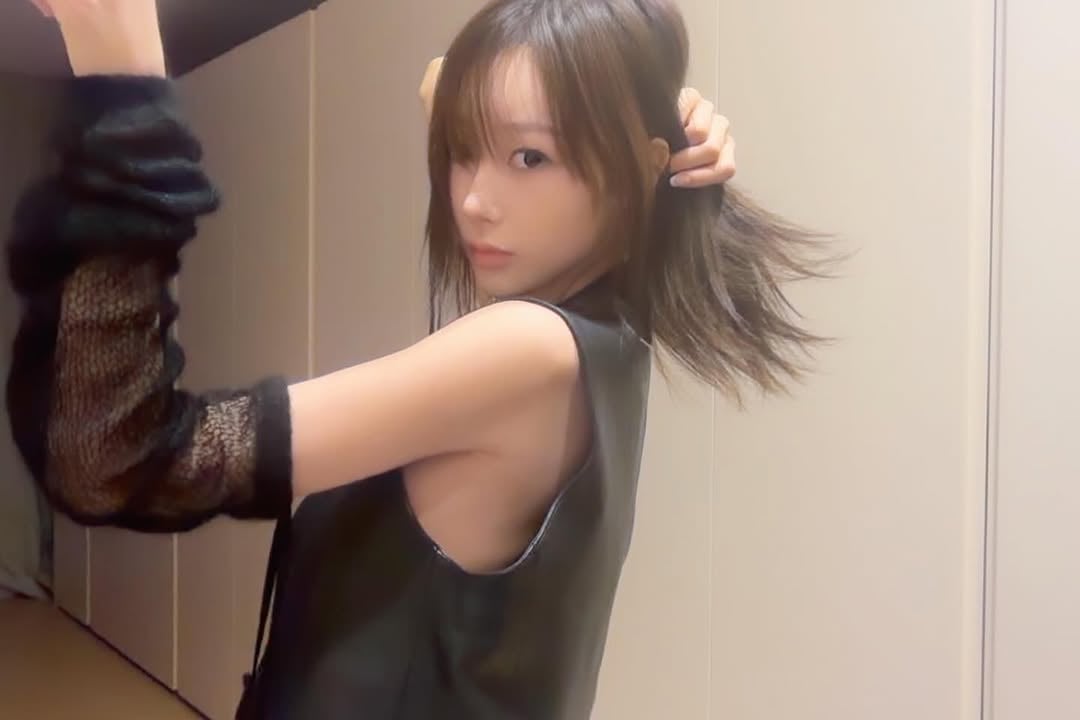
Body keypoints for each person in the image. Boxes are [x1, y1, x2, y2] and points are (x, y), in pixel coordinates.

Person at [7, 0, 827, 718]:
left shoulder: (526, 349)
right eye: (463, 150)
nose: (472, 199)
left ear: (639, 168)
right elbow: (446, 83)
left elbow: (116, 458)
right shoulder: (611, 332)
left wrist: (125, 79)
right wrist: (653, 118)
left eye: (529, 158)